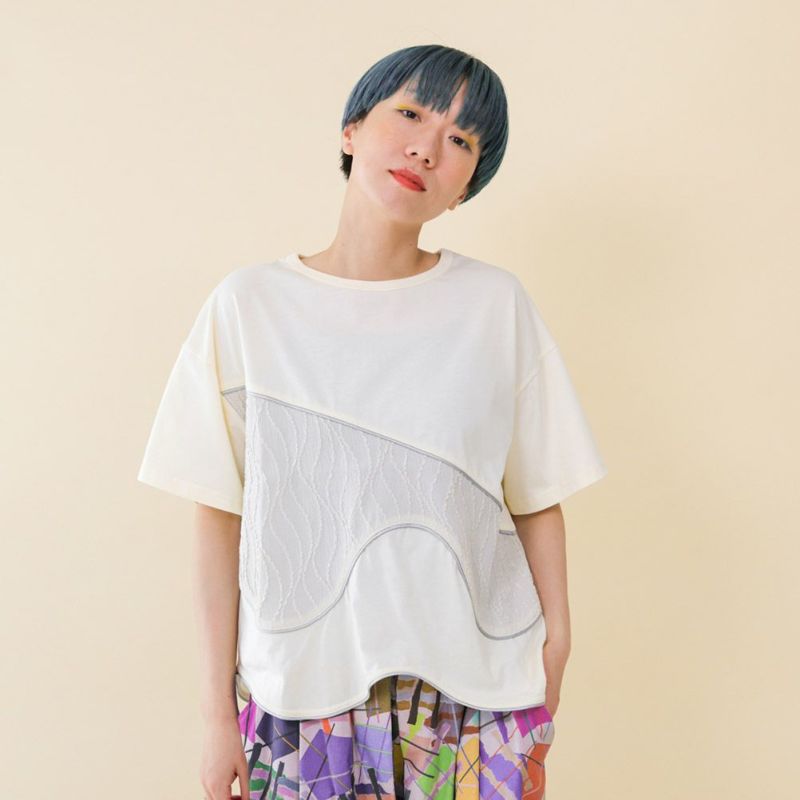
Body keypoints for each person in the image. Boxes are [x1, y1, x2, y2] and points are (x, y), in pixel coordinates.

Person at [137, 43, 608, 800]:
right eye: (411, 113)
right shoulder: (249, 307)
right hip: (298, 698)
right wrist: (216, 715)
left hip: (477, 701)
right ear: (351, 128)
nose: (427, 148)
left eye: (461, 140)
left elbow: (536, 493)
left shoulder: (494, 306)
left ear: (465, 188)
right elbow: (219, 518)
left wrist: (559, 643)